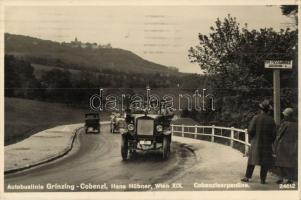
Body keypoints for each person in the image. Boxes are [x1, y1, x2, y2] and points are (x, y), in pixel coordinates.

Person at [241, 100, 276, 184]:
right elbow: (274, 134)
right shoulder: (271, 120)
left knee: (251, 160)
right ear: (268, 110)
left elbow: (251, 130)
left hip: (256, 142)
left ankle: (247, 177)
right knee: (265, 162)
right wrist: (270, 141)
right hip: (266, 144)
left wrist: (253, 138)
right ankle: (263, 179)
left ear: (261, 109)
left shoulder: (256, 118)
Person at [274, 108, 298, 184]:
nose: (284, 116)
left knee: (280, 162)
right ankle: (289, 179)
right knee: (290, 162)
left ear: (288, 116)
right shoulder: (297, 124)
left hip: (282, 145)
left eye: (285, 115)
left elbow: (279, 135)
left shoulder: (285, 124)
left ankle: (280, 178)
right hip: (292, 145)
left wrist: (275, 144)